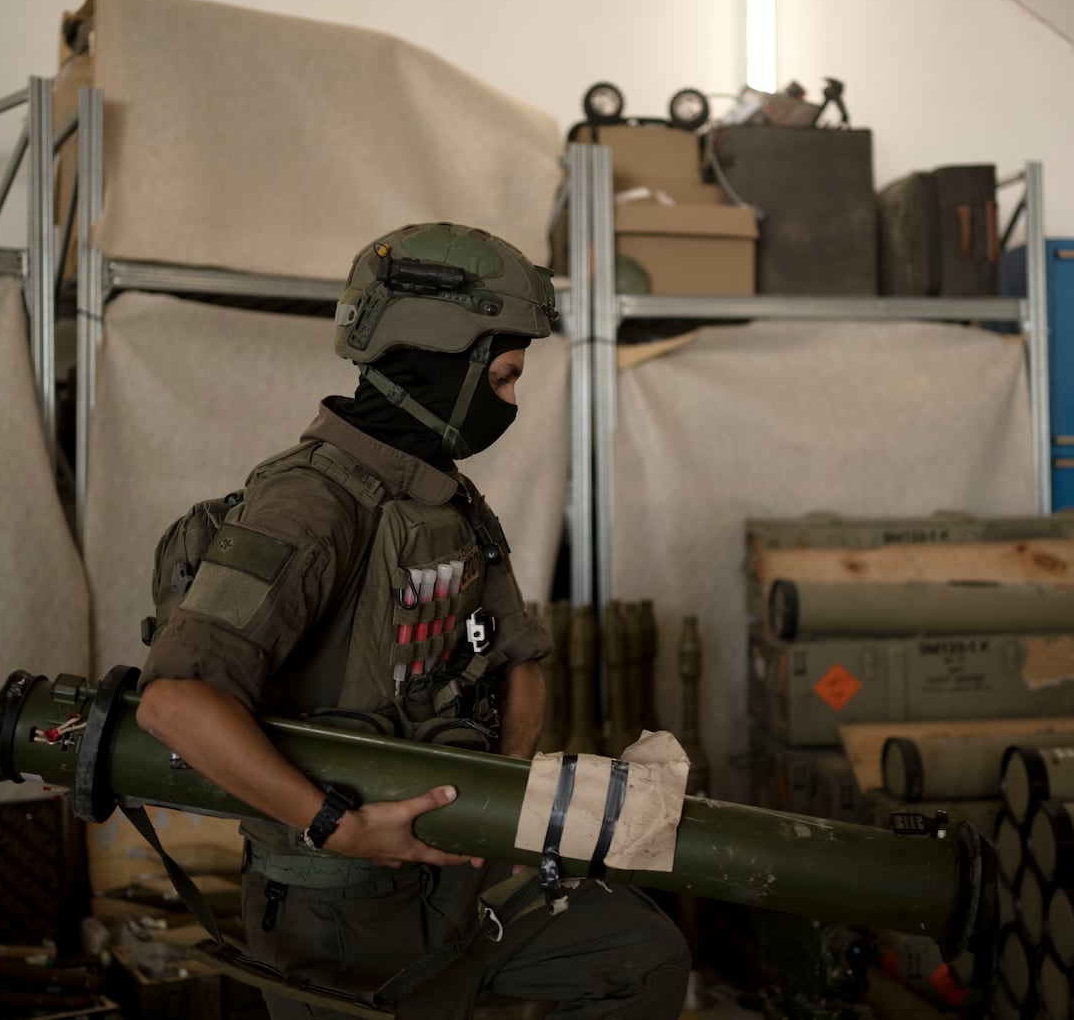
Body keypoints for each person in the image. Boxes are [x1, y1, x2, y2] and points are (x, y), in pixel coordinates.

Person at [135, 222, 690, 1019]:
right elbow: (174, 699)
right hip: (340, 908)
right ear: (441, 363)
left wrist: (497, 797)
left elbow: (518, 657)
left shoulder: (451, 500)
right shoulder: (309, 504)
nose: (511, 402)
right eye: (501, 377)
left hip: (458, 870)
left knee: (638, 955)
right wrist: (338, 824)